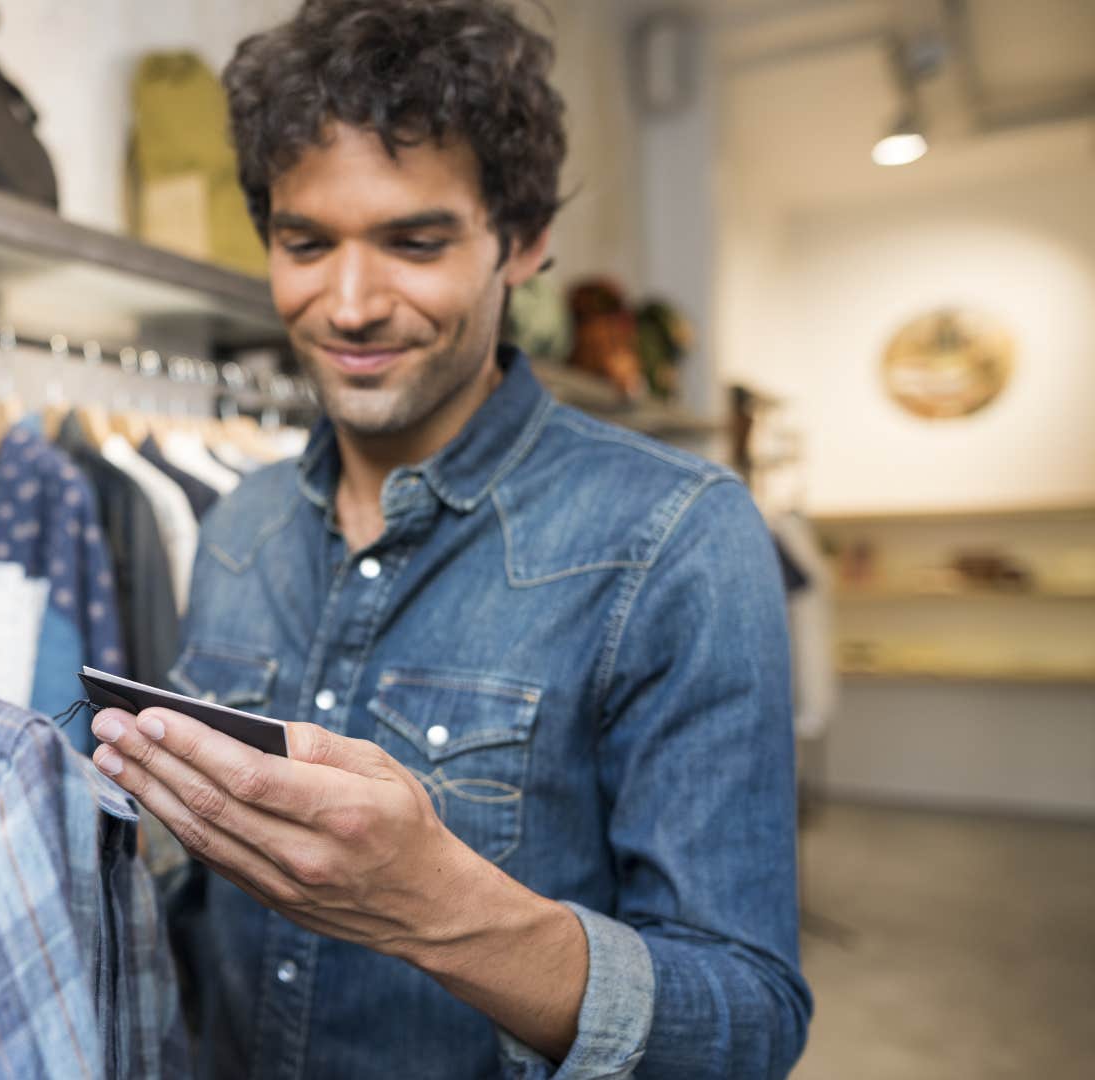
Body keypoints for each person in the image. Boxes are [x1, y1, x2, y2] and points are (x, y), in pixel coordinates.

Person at [80, 1, 813, 1076]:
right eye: (304, 242)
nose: (351, 302)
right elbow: (203, 883)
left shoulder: (678, 539)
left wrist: (436, 907)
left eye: (415, 242)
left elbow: (748, 1021)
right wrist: (89, 823)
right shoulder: (238, 524)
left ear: (522, 243)